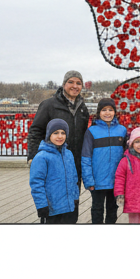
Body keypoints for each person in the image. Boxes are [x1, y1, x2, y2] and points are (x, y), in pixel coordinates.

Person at [27, 70, 90, 221]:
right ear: (63, 84)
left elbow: (84, 135)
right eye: (71, 82)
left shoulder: (83, 108)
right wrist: (34, 157)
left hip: (73, 164)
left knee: (72, 206)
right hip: (53, 164)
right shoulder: (49, 105)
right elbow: (35, 131)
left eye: (78, 83)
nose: (75, 86)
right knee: (52, 207)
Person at [81, 97, 128, 224]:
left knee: (113, 208)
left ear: (115, 112)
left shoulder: (122, 130)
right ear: (99, 112)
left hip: (116, 180)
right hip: (97, 180)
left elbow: (127, 155)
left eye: (110, 110)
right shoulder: (91, 131)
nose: (107, 113)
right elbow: (86, 157)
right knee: (97, 209)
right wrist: (88, 179)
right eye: (104, 110)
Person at [29, 119, 81, 224]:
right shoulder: (42, 157)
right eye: (56, 133)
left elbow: (73, 179)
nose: (60, 136)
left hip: (69, 207)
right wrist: (41, 205)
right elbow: (36, 183)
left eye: (63, 133)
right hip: (52, 209)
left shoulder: (69, 154)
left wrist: (75, 197)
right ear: (49, 135)